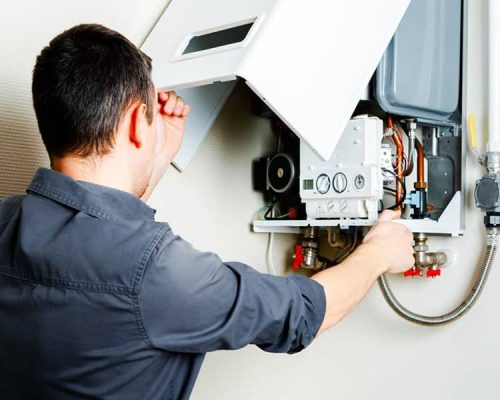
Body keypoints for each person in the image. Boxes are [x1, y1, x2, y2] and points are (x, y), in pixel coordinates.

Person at [0, 24, 414, 400]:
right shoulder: (157, 272)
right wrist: (379, 252)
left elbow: (103, 245)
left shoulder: (6, 221)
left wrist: (154, 158)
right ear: (132, 122)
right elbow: (304, 313)